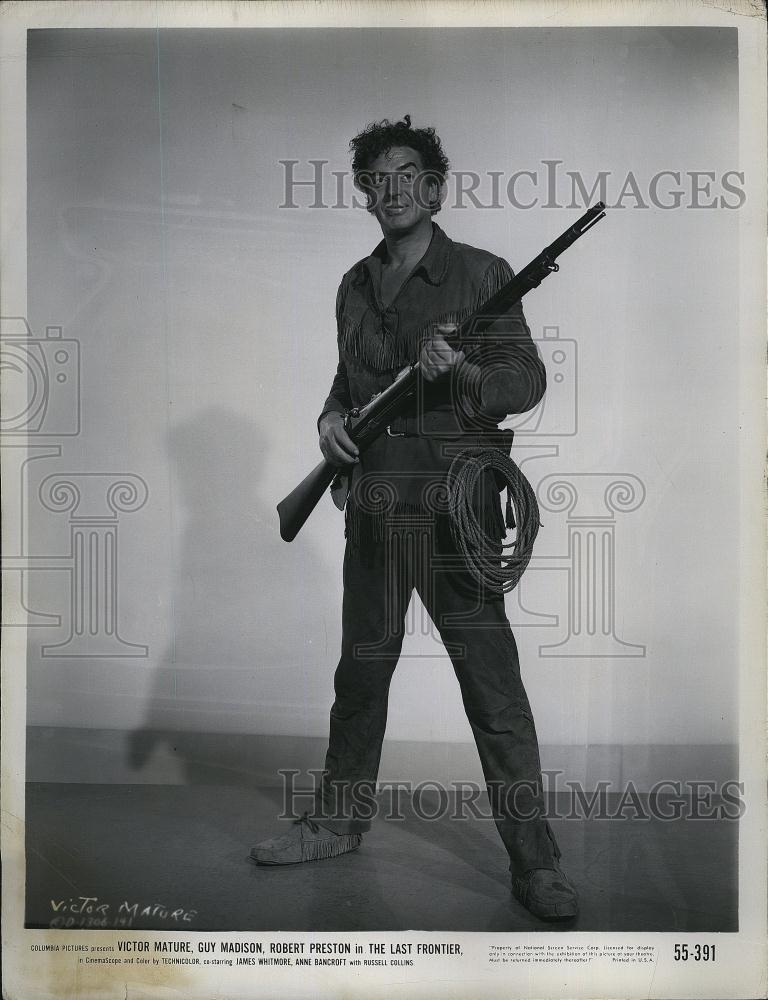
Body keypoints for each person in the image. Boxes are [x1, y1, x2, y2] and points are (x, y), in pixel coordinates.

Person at [250, 116, 578, 922]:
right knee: (360, 676)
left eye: (406, 174)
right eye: (375, 177)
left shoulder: (483, 274)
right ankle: (335, 823)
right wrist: (329, 422)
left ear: (435, 187)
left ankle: (535, 865)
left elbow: (525, 382)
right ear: (365, 192)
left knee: (492, 687)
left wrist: (463, 370)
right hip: (373, 505)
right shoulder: (354, 284)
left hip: (453, 505)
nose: (391, 189)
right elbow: (346, 383)